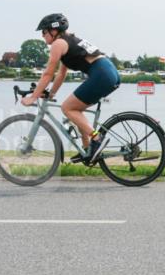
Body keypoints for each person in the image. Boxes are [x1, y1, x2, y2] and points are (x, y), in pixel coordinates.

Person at [23, 13, 120, 163]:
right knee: (76, 109)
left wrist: (33, 97)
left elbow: (48, 73)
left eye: (44, 31)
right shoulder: (67, 41)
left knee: (68, 108)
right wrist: (51, 93)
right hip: (108, 72)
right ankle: (88, 149)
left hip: (101, 74)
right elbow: (61, 74)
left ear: (53, 30)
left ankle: (97, 138)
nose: (42, 36)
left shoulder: (58, 44)